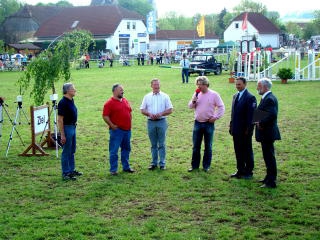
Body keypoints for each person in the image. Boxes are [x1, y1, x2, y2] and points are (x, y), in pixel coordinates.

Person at [188, 76, 225, 172]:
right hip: (197, 123)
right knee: (196, 146)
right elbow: (190, 106)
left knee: (208, 146)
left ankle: (206, 166)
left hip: (208, 123)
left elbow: (221, 107)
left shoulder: (214, 95)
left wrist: (215, 117)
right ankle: (194, 166)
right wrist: (193, 101)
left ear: (206, 85)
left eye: (200, 84)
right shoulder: (197, 94)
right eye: (197, 84)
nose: (198, 86)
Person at [140, 78, 173, 170]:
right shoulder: (147, 97)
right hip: (151, 122)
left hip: (161, 122)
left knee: (161, 144)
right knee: (153, 144)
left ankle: (162, 163)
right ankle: (154, 163)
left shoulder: (165, 96)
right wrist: (149, 114)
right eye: (154, 84)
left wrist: (161, 114)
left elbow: (170, 109)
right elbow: (142, 110)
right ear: (151, 86)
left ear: (160, 85)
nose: (156, 86)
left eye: (157, 84)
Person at [102, 84, 135, 175]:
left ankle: (126, 167)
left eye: (122, 90)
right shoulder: (109, 103)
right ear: (114, 91)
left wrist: (129, 121)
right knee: (114, 150)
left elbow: (129, 112)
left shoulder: (125, 100)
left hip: (127, 130)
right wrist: (111, 125)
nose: (122, 91)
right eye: (120, 90)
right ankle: (113, 170)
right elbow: (105, 116)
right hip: (117, 131)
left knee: (126, 149)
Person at [255, 78, 281, 188]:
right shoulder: (265, 97)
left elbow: (272, 115)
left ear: (265, 87)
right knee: (267, 156)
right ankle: (268, 177)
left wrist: (260, 122)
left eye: (259, 86)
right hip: (265, 132)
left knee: (269, 157)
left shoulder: (269, 99)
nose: (257, 88)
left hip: (267, 132)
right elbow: (262, 112)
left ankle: (271, 181)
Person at [229, 77, 257, 179]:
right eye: (236, 84)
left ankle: (248, 171)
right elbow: (233, 113)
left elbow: (252, 116)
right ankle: (240, 170)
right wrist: (231, 125)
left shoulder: (250, 98)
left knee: (247, 150)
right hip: (236, 129)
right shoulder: (235, 96)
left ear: (245, 84)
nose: (237, 86)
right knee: (238, 150)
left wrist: (248, 129)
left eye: (239, 84)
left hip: (245, 131)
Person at [58, 83, 82, 181]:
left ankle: (71, 170)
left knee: (72, 150)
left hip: (72, 127)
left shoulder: (71, 100)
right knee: (66, 151)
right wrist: (63, 135)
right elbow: (60, 120)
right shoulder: (63, 103)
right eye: (73, 89)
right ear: (67, 91)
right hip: (67, 128)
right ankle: (66, 173)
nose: (75, 90)